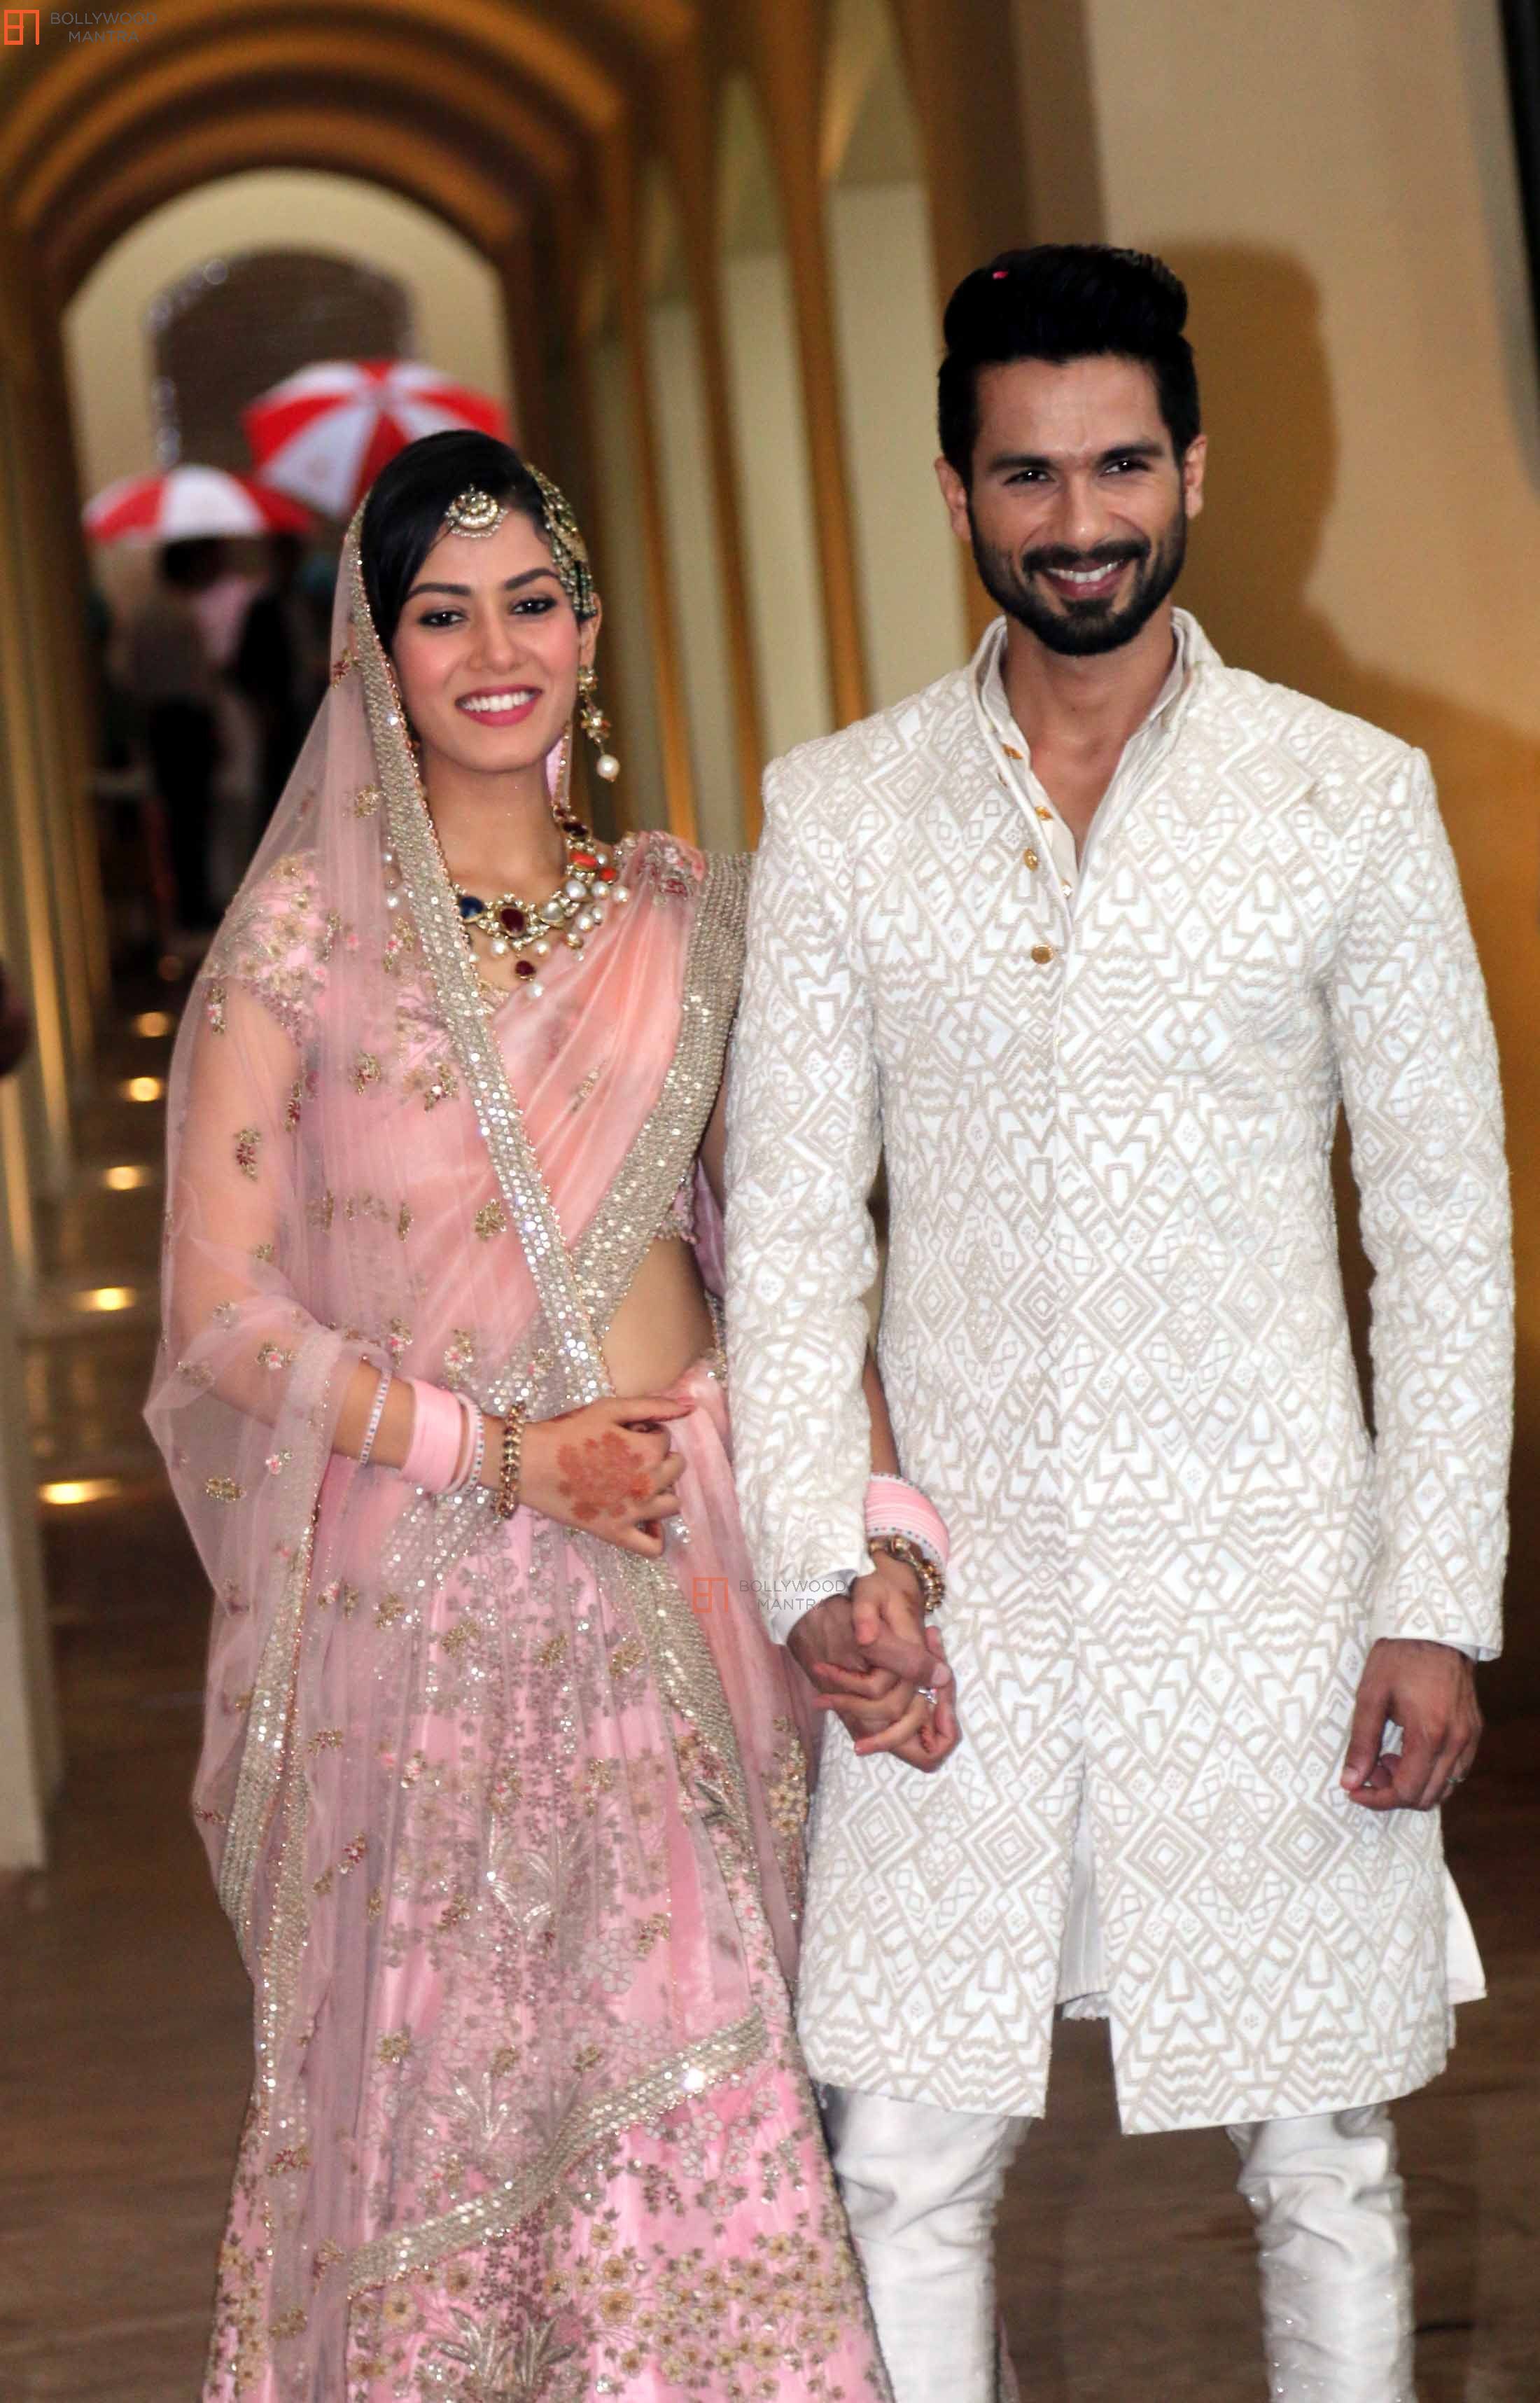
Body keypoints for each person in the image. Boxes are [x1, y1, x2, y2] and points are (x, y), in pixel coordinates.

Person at [724, 246, 1512, 2403]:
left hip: (1275, 1589)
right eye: (1028, 475)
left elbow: (1444, 1231)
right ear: (957, 493)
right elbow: (790, 1235)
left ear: (1194, 470)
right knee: (905, 2155)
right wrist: (817, 1564)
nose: (1081, 522)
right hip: (952, 1606)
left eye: (1121, 467)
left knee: (1326, 2162)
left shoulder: (1343, 796)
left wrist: (1431, 1599)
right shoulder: (840, 813)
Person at [148, 430, 904, 2402]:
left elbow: (793, 1263)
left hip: (681, 1575)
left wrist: (874, 1537)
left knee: (713, 2067)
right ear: (373, 655)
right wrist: (497, 1457)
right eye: (443, 613)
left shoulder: (691, 919)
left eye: (533, 602)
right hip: (431, 1617)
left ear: (588, 625)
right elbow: (224, 1317)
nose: (497, 651)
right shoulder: (300, 951)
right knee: (455, 2112)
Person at [123, 537, 226, 931]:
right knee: (194, 816)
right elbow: (199, 678)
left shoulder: (143, 615)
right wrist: (214, 728)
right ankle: (193, 904)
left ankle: (184, 903)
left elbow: (133, 676)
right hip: (186, 721)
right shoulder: (182, 614)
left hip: (160, 723)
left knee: (177, 816)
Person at [232, 530, 330, 836]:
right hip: (280, 707)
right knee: (277, 780)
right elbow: (246, 665)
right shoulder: (263, 608)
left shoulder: (310, 602)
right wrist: (264, 708)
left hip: (311, 700)